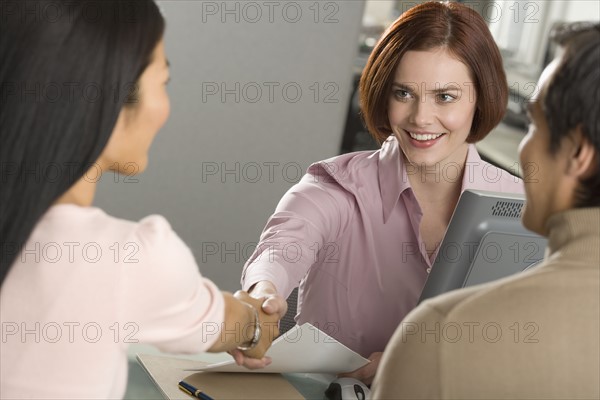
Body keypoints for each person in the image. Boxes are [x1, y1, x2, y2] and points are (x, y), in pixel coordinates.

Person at [0, 1, 281, 398]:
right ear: (110, 100)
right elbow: (240, 325)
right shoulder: (127, 258)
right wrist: (259, 318)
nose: (166, 105)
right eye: (163, 81)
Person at [237, 1, 523, 384]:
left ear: (479, 99)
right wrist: (262, 295)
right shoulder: (334, 187)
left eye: (445, 97)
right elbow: (282, 246)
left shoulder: (522, 208)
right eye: (404, 94)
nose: (421, 118)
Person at [371, 21, 600, 399]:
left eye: (533, 125)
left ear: (578, 153)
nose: (421, 117)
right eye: (405, 93)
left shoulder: (442, 336)